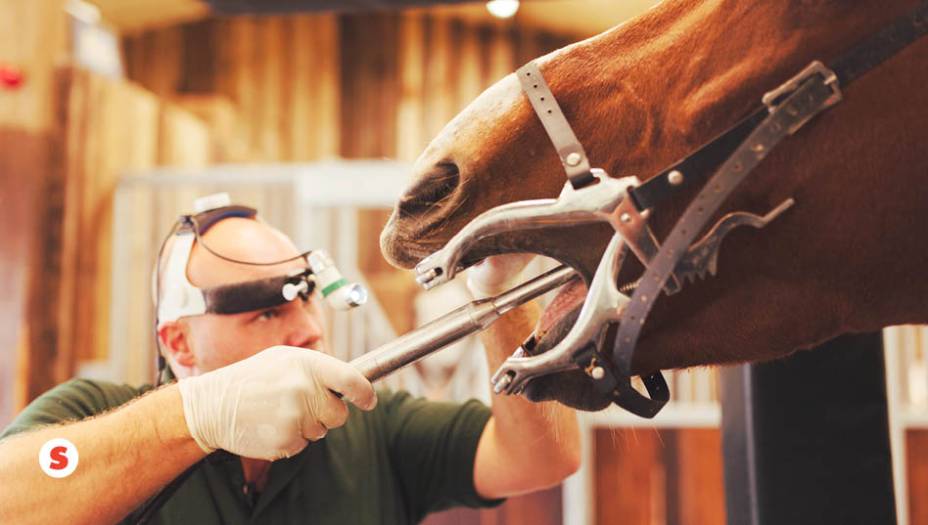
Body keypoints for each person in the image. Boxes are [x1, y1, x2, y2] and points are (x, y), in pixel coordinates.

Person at [0, 196, 580, 524]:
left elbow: (541, 460)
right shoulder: (96, 414)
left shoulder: (374, 428)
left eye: (306, 299)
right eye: (265, 314)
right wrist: (195, 417)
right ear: (179, 343)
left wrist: (500, 301)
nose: (308, 330)